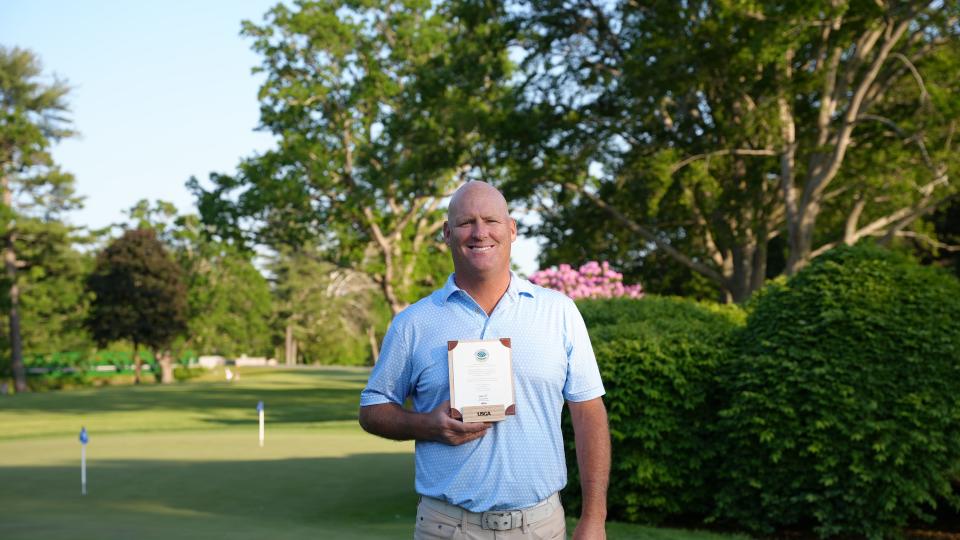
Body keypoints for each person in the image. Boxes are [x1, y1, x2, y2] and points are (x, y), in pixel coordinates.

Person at [359, 181, 610, 539]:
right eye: (466, 222)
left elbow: (589, 412)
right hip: (446, 527)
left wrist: (595, 518)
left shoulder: (559, 312)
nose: (480, 232)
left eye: (491, 220)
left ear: (511, 229)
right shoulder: (414, 322)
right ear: (447, 233)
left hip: (539, 527)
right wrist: (427, 425)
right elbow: (372, 408)